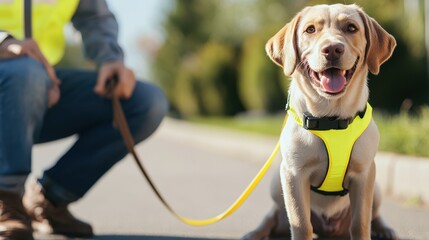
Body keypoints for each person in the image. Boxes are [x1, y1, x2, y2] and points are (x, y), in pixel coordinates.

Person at [0, 0, 168, 239]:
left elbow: (93, 16)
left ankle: (49, 199)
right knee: (24, 72)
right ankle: (5, 199)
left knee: (145, 102)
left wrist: (110, 58)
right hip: (15, 78)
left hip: (39, 84)